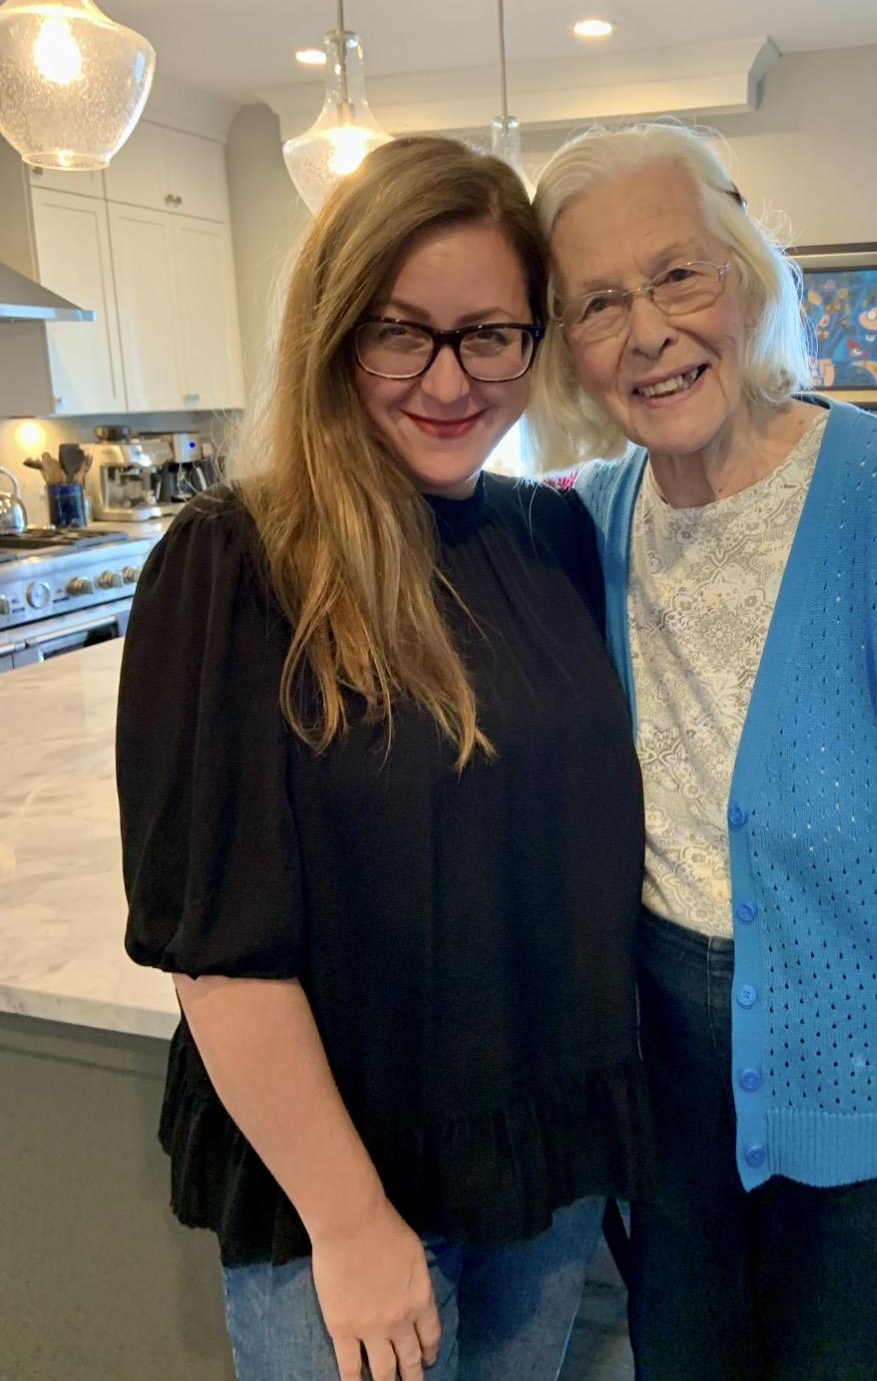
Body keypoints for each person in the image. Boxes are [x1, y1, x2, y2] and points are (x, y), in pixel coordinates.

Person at [526, 122, 877, 1381]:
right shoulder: (594, 524)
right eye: (599, 304)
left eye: (680, 274)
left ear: (745, 272)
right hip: (668, 1107)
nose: (651, 332)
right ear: (568, 348)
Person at [118, 136, 648, 1381]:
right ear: (332, 329)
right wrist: (352, 1225)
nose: (449, 380)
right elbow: (219, 950)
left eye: (490, 334)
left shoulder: (553, 539)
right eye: (398, 331)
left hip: (543, 1155)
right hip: (340, 1190)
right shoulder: (234, 568)